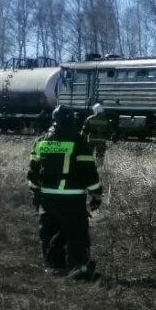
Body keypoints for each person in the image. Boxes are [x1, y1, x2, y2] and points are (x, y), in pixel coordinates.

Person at [27, 105, 102, 281]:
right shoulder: (78, 141)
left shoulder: (41, 141)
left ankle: (54, 268)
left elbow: (32, 171)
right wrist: (96, 193)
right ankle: (79, 269)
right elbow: (88, 171)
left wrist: (35, 191)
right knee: (76, 233)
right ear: (71, 120)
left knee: (49, 232)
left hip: (47, 198)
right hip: (72, 198)